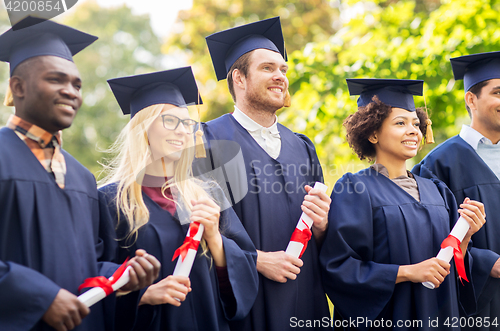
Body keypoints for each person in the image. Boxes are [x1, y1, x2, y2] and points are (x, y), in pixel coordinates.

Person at [0, 17, 161, 331]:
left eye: (76, 84)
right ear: (17, 87)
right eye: (56, 80)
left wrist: (121, 279)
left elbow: (87, 267)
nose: (71, 92)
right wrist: (39, 297)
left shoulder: (82, 179)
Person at [99, 67, 259, 331]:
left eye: (187, 123)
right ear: (144, 129)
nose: (183, 131)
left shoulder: (207, 193)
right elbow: (91, 276)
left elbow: (245, 271)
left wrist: (215, 239)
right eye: (170, 121)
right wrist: (143, 295)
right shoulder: (112, 201)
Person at [319, 79, 486, 330]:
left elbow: (456, 261)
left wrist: (465, 235)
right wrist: (407, 272)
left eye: (416, 124)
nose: (413, 131)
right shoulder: (355, 189)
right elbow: (339, 267)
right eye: (400, 123)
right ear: (372, 132)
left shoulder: (437, 190)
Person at [199, 17, 332, 330]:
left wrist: (324, 224)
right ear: (240, 79)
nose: (280, 77)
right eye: (268, 68)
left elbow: (325, 236)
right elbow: (198, 225)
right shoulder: (206, 141)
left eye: (283, 69)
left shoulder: (303, 147)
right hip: (247, 305)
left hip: (306, 304)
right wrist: (255, 259)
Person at [412, 52, 500, 329]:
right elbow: (428, 237)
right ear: (471, 99)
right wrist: (487, 263)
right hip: (480, 303)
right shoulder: (438, 164)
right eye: (498, 92)